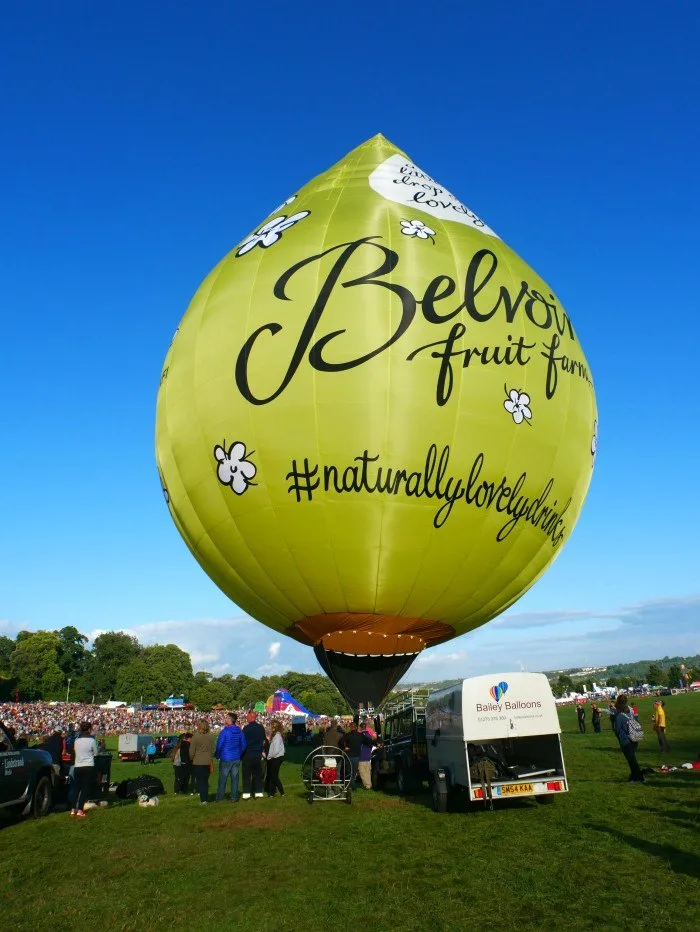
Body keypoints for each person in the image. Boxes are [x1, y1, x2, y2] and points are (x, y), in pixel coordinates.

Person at [215, 712, 246, 802]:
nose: (225, 719)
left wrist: (217, 755)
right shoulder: (239, 731)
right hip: (235, 757)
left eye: (226, 718)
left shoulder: (225, 731)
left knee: (222, 779)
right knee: (235, 779)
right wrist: (239, 754)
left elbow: (219, 745)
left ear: (230, 720)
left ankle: (219, 798)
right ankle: (234, 797)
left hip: (226, 757)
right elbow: (243, 745)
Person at [613, 696, 644, 783]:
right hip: (634, 739)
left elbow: (617, 730)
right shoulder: (630, 714)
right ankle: (633, 777)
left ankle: (639, 778)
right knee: (632, 759)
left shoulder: (619, 717)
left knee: (632, 761)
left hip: (625, 741)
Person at [71, 722, 98, 818]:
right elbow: (96, 753)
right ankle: (80, 810)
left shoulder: (77, 740)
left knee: (76, 788)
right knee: (84, 788)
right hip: (88, 765)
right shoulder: (91, 740)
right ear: (89, 729)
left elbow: (75, 751)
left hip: (77, 765)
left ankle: (73, 809)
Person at [241, 711, 266, 799]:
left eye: (247, 716)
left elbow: (242, 742)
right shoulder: (261, 728)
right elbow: (264, 741)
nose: (246, 718)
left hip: (247, 754)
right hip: (257, 754)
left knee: (246, 774)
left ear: (252, 717)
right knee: (257, 774)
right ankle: (258, 792)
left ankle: (247, 793)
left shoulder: (246, 728)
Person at [189, 719, 215, 804]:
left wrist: (191, 758)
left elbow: (191, 751)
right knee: (204, 781)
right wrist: (210, 757)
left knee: (200, 782)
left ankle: (203, 799)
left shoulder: (195, 737)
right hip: (207, 761)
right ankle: (205, 799)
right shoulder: (210, 737)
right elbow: (213, 750)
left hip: (197, 762)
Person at [266, 720, 286, 797]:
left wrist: (269, 757)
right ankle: (279, 792)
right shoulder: (276, 735)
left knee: (273, 775)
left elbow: (276, 750)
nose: (270, 727)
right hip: (276, 757)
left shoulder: (277, 736)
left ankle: (273, 792)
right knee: (274, 775)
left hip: (277, 757)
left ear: (274, 727)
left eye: (271, 726)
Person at [341, 721, 363, 787]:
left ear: (350, 727)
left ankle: (349, 784)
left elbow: (342, 742)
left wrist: (345, 747)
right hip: (356, 756)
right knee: (354, 772)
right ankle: (352, 784)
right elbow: (368, 741)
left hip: (349, 755)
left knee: (348, 771)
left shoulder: (347, 735)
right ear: (356, 727)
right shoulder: (360, 735)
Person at [356, 720, 375, 790]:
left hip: (362, 755)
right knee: (368, 772)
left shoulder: (360, 736)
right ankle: (369, 784)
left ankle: (368, 785)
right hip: (368, 755)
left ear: (360, 728)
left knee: (362, 772)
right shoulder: (369, 735)